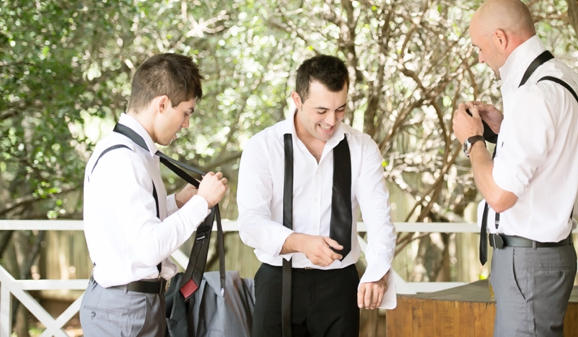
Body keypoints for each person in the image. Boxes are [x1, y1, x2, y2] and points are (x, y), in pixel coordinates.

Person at [452, 0, 578, 337]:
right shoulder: (567, 80)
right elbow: (552, 153)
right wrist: (505, 128)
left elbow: (500, 195)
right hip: (544, 258)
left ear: (500, 38)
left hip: (527, 263)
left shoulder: (533, 96)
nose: (481, 58)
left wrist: (473, 141)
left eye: (479, 48)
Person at [237, 54, 396, 337]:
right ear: (296, 100)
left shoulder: (362, 147)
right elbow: (250, 223)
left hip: (340, 285)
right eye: (321, 110)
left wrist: (377, 271)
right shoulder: (263, 147)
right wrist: (300, 243)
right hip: (278, 283)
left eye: (341, 109)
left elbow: (380, 220)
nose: (331, 121)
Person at [80, 53, 228, 337]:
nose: (186, 124)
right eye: (185, 112)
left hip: (133, 307)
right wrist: (201, 203)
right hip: (125, 313)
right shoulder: (124, 160)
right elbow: (148, 248)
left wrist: (178, 203)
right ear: (162, 104)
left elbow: (133, 228)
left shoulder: (135, 154)